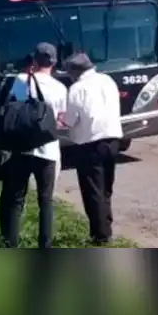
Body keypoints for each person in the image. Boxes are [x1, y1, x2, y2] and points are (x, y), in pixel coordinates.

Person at [0, 43, 67, 249]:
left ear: (34, 60)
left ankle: (11, 243)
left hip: (22, 148)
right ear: (54, 63)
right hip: (49, 150)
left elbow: (11, 107)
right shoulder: (61, 87)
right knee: (46, 200)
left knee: (16, 199)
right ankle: (45, 246)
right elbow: (60, 119)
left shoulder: (21, 80)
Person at [61, 52, 122, 246]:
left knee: (92, 191)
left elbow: (71, 120)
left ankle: (101, 235)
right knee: (106, 188)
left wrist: (62, 118)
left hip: (90, 144)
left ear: (74, 72)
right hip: (113, 139)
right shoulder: (107, 80)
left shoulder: (77, 88)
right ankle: (106, 225)